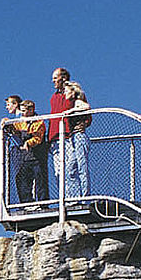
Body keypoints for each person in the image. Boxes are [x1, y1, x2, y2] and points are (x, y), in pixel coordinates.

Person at [48, 67, 91, 199]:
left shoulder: (74, 94)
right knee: (59, 172)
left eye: (55, 78)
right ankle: (64, 199)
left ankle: (75, 198)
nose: (53, 81)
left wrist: (78, 123)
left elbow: (87, 113)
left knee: (72, 168)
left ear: (63, 78)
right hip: (55, 137)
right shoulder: (54, 97)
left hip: (68, 136)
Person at [2, 96, 48, 206]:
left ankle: (43, 204)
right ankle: (27, 204)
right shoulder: (21, 122)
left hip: (37, 156)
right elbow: (14, 127)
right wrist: (6, 121)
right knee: (22, 179)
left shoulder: (38, 122)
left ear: (31, 110)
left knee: (40, 180)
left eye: (24, 111)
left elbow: (38, 138)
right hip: (25, 156)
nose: (22, 114)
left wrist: (28, 143)